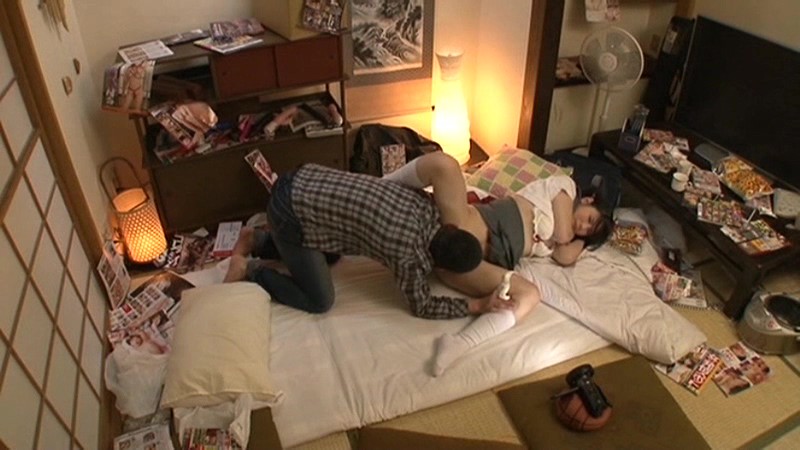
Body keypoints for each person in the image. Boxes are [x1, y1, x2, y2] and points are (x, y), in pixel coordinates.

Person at [383, 152, 613, 375]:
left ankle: (459, 343)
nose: (583, 227)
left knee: (530, 295)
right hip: (463, 228)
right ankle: (380, 185)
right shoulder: (565, 187)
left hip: (464, 263)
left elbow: (564, 258)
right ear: (588, 200)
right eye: (590, 219)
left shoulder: (566, 243)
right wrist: (576, 236)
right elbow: (562, 235)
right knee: (445, 164)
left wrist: (584, 241)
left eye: (588, 231)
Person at [224, 163, 544, 319]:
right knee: (320, 301)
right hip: (289, 211)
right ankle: (252, 270)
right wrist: (477, 305)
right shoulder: (409, 258)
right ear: (440, 266)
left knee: (332, 257)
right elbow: (422, 305)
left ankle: (260, 240)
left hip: (301, 177)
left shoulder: (427, 204)